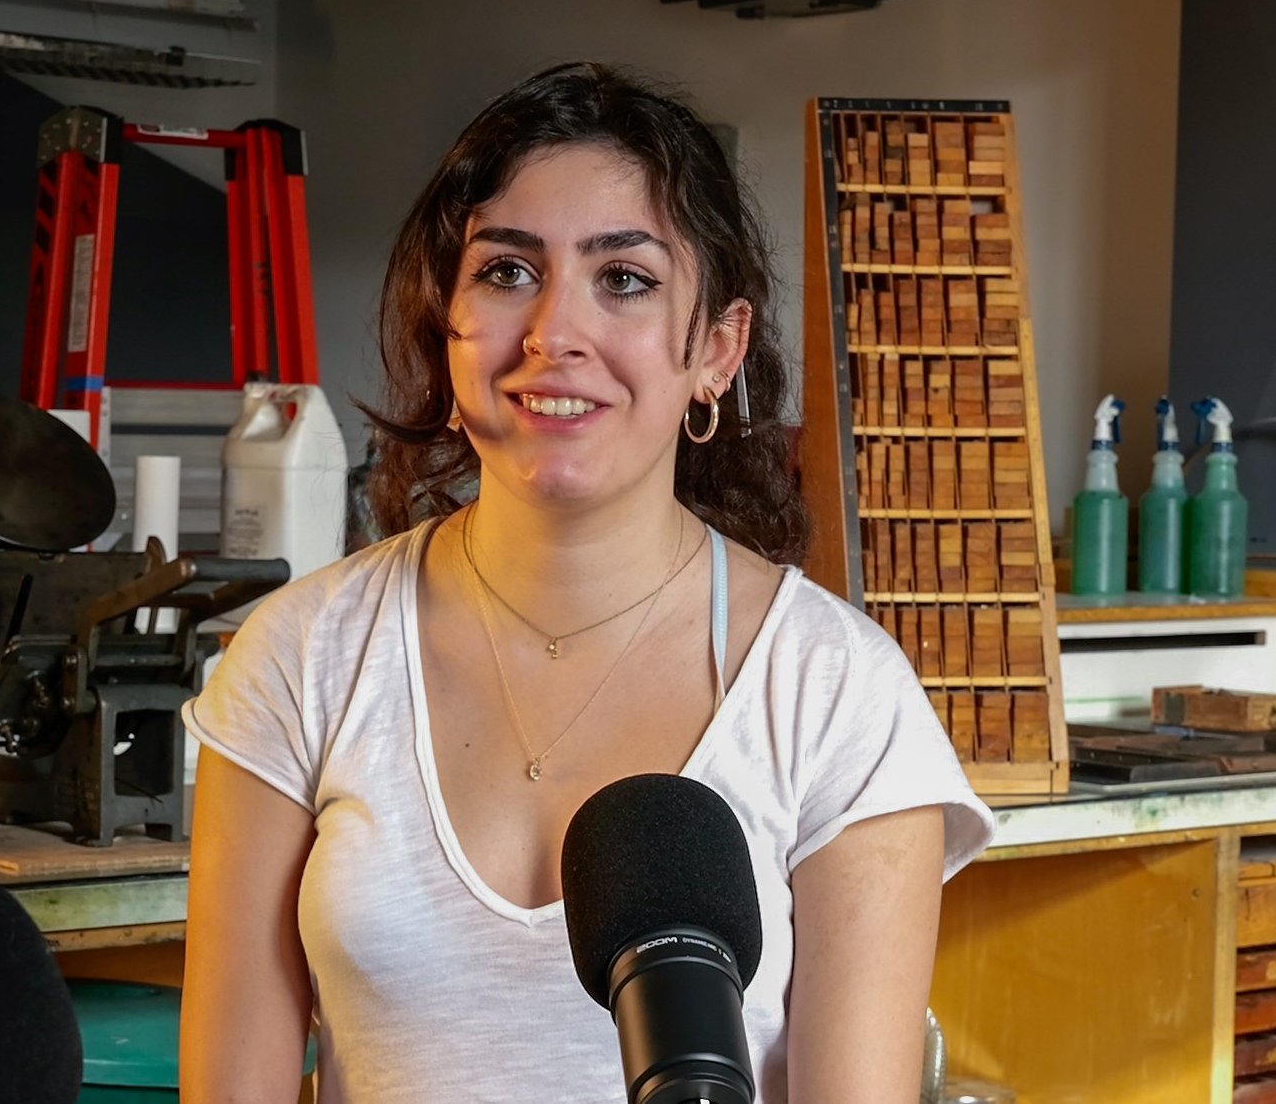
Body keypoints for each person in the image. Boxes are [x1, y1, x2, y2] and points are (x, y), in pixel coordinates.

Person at [180, 62, 994, 1104]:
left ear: (714, 349)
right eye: (508, 271)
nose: (553, 332)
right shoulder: (303, 654)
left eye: (624, 279)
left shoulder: (834, 691)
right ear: (447, 319)